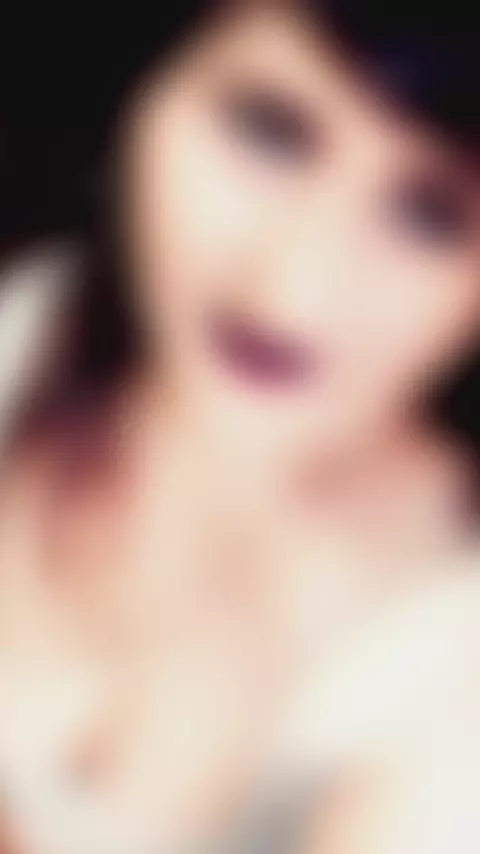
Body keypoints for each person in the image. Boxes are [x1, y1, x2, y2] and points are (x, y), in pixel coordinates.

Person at [0, 2, 479, 851]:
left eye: (429, 213)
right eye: (269, 131)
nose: (292, 283)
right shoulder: (25, 323)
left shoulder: (448, 661)